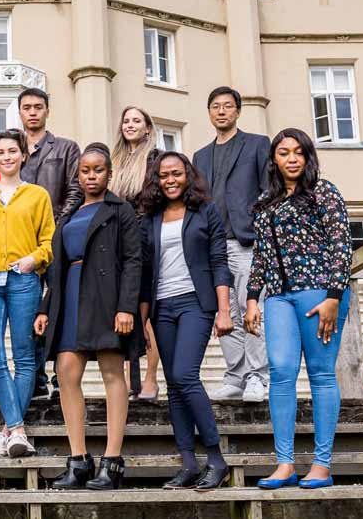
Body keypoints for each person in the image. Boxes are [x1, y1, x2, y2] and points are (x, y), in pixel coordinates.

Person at [244, 129, 353, 490]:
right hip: (278, 297)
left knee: (321, 374)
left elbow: (342, 245)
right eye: (283, 152)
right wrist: (251, 298)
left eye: (298, 152)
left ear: (307, 157)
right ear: (273, 159)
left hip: (320, 294)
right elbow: (259, 257)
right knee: (281, 372)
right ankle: (285, 463)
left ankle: (322, 465)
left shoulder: (324, 192)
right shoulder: (265, 202)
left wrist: (334, 296)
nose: (291, 158)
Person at [33, 143, 140, 490]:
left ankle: (112, 461)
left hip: (106, 297)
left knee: (112, 371)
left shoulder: (121, 210)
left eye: (98, 170)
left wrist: (126, 307)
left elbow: (134, 260)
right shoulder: (69, 214)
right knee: (66, 371)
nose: (91, 175)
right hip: (71, 295)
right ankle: (78, 460)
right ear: (77, 175)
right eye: (85, 170)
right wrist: (46, 309)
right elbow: (57, 268)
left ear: (109, 173)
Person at [139, 151, 235, 491]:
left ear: (187, 175)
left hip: (196, 302)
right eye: (163, 175)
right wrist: (143, 316)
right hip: (162, 305)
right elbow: (144, 270)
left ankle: (217, 459)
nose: (169, 180)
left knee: (184, 374)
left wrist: (224, 310)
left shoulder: (206, 212)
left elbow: (220, 262)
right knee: (173, 385)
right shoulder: (150, 216)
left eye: (176, 173)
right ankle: (189, 464)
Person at [0, 129, 55, 458]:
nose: (7, 157)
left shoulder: (37, 195)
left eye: (13, 151)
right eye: (0, 152)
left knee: (25, 356)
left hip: (24, 280)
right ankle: (17, 430)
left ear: (23, 155)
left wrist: (35, 259)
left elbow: (49, 241)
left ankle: (7, 432)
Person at [193, 86, 271, 403]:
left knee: (251, 307)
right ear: (209, 112)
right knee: (224, 312)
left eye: (227, 106)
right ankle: (236, 376)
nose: (221, 111)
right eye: (215, 106)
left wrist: (260, 229)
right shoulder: (200, 156)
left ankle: (258, 376)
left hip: (246, 242)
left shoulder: (256, 145)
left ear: (238, 110)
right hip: (214, 245)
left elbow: (269, 191)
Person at [17, 87, 82, 403]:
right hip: (20, 243)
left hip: (56, 239)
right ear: (20, 112)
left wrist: (55, 226)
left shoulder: (67, 148)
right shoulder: (12, 149)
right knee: (29, 309)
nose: (32, 112)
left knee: (56, 306)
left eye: (38, 107)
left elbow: (75, 190)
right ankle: (37, 377)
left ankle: (60, 376)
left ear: (46, 111)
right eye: (27, 107)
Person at [109, 106, 161, 402]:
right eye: (126, 120)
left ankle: (150, 378)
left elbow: (153, 203)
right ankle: (130, 377)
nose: (130, 125)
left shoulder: (153, 158)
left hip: (145, 239)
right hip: (118, 241)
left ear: (147, 128)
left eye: (136, 121)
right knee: (124, 307)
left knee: (145, 312)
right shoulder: (114, 159)